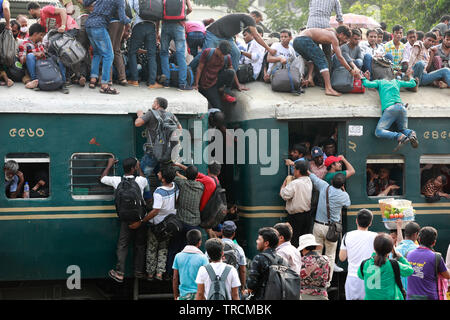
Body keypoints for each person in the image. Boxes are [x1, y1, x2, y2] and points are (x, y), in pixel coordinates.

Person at [100, 157, 148, 283]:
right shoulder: (141, 180)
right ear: (134, 168)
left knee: (122, 245)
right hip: (139, 219)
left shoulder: (117, 181)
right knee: (140, 245)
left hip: (125, 220)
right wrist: (140, 168)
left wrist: (109, 164)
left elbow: (103, 178)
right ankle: (138, 271)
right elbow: (145, 180)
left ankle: (120, 272)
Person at [135, 97, 182, 200]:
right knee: (162, 176)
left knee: (143, 174)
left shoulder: (151, 113)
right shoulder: (171, 115)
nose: (153, 104)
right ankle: (164, 198)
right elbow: (180, 129)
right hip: (166, 154)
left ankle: (148, 199)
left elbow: (137, 123)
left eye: (154, 103)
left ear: (157, 105)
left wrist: (140, 115)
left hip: (152, 154)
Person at [293, 26, 361, 96]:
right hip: (304, 40)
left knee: (311, 59)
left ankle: (308, 79)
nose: (346, 41)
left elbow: (321, 33)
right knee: (323, 61)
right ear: (341, 34)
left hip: (296, 41)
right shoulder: (334, 38)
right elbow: (340, 57)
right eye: (346, 38)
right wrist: (350, 70)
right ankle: (328, 88)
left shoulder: (331, 31)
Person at [203, 12, 276, 77]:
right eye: (258, 20)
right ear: (254, 16)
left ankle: (231, 79)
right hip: (213, 34)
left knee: (236, 53)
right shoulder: (248, 18)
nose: (256, 23)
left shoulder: (244, 22)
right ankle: (196, 74)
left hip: (227, 37)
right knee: (207, 55)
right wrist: (269, 49)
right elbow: (256, 36)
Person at [361, 69, 419, 151]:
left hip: (390, 109)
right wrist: (410, 75)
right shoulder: (396, 81)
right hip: (402, 108)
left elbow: (367, 84)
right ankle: (411, 134)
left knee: (378, 131)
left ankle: (400, 136)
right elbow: (413, 83)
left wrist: (363, 78)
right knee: (403, 129)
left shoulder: (380, 82)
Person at [309, 172, 350, 286]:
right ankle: (327, 282)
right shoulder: (344, 195)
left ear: (331, 182)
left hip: (318, 225)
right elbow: (348, 204)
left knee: (316, 253)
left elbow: (313, 177)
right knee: (330, 256)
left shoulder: (324, 187)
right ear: (342, 185)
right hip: (332, 229)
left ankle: (315, 279)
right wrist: (343, 191)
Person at [83, 0, 131, 94]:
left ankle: (93, 79)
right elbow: (122, 19)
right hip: (99, 26)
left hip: (89, 25)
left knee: (97, 53)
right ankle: (105, 85)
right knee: (109, 55)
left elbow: (85, 3)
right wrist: (129, 19)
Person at [142, 166, 179, 281]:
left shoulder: (159, 192)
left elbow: (155, 211)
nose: (158, 173)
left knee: (152, 249)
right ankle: (159, 273)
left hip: (157, 224)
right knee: (163, 248)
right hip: (168, 224)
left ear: (163, 178)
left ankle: (150, 273)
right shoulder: (175, 187)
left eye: (160, 173)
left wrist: (143, 220)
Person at [357, 233, 413, 300]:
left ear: (374, 248)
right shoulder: (393, 264)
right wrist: (401, 258)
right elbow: (410, 270)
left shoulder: (365, 263)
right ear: (390, 249)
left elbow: (360, 276)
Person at [339, 209, 378, 300]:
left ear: (356, 221)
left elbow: (342, 258)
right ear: (370, 223)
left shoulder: (347, 235)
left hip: (353, 277)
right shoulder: (376, 236)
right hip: (372, 277)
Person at [18, 23, 69, 93]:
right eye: (41, 35)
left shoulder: (40, 44)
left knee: (59, 58)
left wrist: (43, 54)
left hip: (45, 67)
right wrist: (35, 54)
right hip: (35, 69)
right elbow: (22, 61)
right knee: (30, 56)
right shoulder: (24, 44)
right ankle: (35, 82)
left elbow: (46, 55)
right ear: (35, 34)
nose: (42, 37)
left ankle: (63, 83)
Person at [407, 227, 450, 300]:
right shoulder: (436, 257)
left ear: (419, 239)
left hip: (411, 297)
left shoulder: (408, 254)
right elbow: (447, 275)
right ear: (434, 242)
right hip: (430, 297)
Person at [246, 227, 289, 300]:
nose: (257, 241)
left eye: (259, 239)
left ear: (266, 243)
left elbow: (251, 284)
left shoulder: (259, 258)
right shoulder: (283, 260)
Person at [159, 0, 193, 90]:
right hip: (179, 25)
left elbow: (160, 10)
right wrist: (183, 16)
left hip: (165, 25)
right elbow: (190, 8)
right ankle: (182, 84)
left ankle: (166, 82)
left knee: (164, 53)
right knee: (180, 54)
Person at [194, 40, 237, 110]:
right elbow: (199, 68)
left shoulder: (227, 57)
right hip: (206, 85)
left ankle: (224, 93)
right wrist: (196, 84)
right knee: (218, 109)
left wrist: (238, 85)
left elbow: (232, 72)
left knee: (231, 72)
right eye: (222, 54)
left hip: (216, 81)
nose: (222, 56)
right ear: (217, 49)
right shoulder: (207, 52)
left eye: (224, 55)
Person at [280, 161, 313, 247]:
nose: (293, 171)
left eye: (294, 169)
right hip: (307, 215)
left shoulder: (295, 183)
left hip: (296, 217)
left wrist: (284, 184)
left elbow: (284, 195)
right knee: (305, 242)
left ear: (298, 171)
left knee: (294, 241)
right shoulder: (309, 180)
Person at [172, 229, 208, 300]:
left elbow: (175, 278)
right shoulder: (203, 258)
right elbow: (207, 279)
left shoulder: (178, 256)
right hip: (199, 296)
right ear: (200, 242)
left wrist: (175, 296)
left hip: (183, 295)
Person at [306, 0, 344, 66]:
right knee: (327, 54)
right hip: (325, 27)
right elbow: (339, 17)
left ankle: (316, 74)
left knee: (313, 54)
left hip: (311, 26)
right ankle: (328, 74)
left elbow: (310, 10)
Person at [298, 233, 330, 300]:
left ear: (303, 248)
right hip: (322, 296)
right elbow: (327, 278)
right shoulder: (325, 260)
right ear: (315, 247)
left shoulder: (300, 261)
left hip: (303, 296)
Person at [108, 0, 132, 87]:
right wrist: (128, 21)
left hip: (112, 23)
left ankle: (109, 79)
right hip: (121, 24)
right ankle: (123, 78)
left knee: (109, 50)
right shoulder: (125, 1)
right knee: (117, 50)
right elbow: (129, 13)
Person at [221, 221, 247, 297]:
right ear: (234, 234)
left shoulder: (214, 245)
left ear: (222, 231)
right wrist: (242, 286)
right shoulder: (238, 249)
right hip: (233, 283)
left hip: (216, 283)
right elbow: (242, 270)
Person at [395, 221, 420, 290]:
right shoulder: (419, 250)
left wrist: (399, 227)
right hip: (414, 289)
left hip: (399, 290)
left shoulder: (395, 250)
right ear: (416, 234)